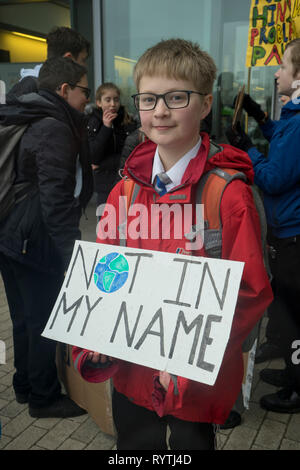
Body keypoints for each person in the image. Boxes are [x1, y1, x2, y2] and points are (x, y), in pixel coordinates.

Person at [72, 38, 272, 450]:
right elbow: (104, 275)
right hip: (130, 369)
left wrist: (190, 367)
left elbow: (248, 292)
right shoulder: (123, 194)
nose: (160, 110)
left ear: (205, 104)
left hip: (193, 383)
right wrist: (89, 339)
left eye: (176, 97)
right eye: (148, 99)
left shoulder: (227, 196)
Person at [0, 56, 93, 418]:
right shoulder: (54, 127)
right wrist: (73, 257)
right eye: (84, 90)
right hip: (33, 240)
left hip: (10, 234)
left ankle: (24, 385)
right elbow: (56, 201)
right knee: (42, 321)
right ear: (65, 89)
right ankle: (43, 397)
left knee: (23, 318)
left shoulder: (29, 113)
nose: (87, 98)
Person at [226, 38, 300, 414]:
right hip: (288, 233)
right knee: (287, 312)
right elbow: (284, 141)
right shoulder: (294, 118)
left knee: (294, 316)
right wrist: (259, 118)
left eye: (284, 66)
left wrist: (246, 148)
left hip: (294, 238)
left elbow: (272, 178)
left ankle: (298, 387)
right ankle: (292, 372)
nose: (276, 72)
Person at [87, 82, 136, 218]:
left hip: (125, 180)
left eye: (116, 99)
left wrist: (102, 164)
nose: (113, 104)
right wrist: (106, 127)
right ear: (99, 103)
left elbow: (130, 156)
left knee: (127, 224)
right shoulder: (93, 122)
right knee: (105, 225)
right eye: (107, 100)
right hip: (104, 184)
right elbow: (94, 156)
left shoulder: (127, 121)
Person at [6, 26, 90, 99]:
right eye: (83, 60)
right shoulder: (31, 87)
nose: (85, 66)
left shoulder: (50, 86)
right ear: (68, 59)